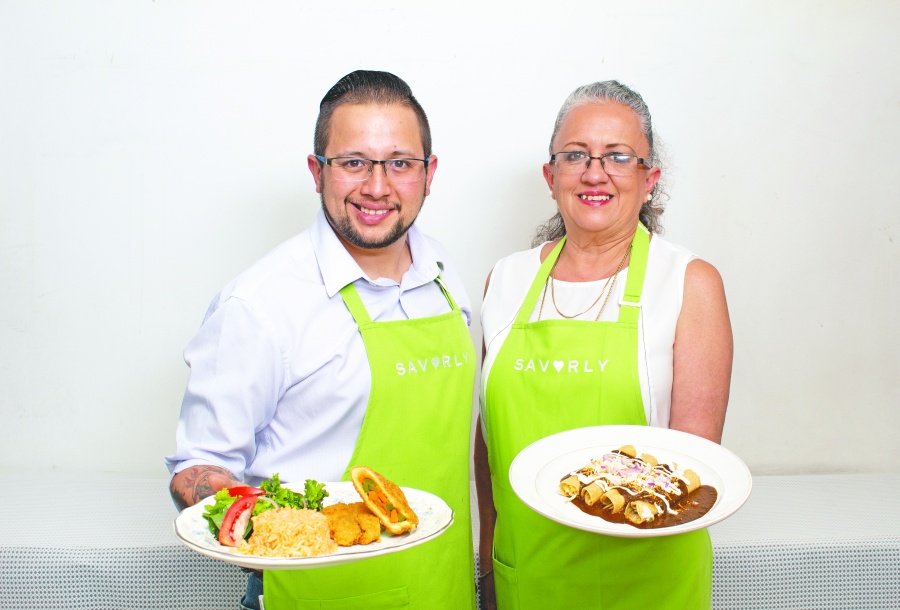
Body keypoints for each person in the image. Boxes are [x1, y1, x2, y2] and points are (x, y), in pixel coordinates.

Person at [165, 70, 477, 610]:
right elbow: (198, 465)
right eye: (353, 162)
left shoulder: (447, 280)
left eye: (400, 163)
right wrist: (262, 521)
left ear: (429, 174)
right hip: (312, 596)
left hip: (441, 586)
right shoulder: (260, 305)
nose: (377, 187)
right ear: (317, 171)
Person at [474, 80, 733, 609]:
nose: (595, 173)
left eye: (618, 156)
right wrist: (487, 553)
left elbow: (694, 468)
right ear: (551, 177)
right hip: (529, 571)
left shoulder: (688, 282)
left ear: (650, 179)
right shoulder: (505, 280)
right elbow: (488, 445)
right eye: (576, 156)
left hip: (644, 581)